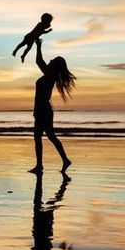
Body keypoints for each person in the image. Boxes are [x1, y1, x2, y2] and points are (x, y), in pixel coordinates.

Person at [30, 37, 75, 173]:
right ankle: (64, 160)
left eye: (53, 61)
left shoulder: (50, 75)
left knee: (40, 137)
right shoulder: (49, 75)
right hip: (43, 110)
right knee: (49, 136)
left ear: (55, 66)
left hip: (44, 110)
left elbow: (39, 61)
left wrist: (38, 47)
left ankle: (40, 166)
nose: (50, 61)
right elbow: (40, 62)